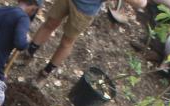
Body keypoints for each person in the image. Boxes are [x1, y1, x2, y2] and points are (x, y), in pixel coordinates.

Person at [21, 0, 150, 78]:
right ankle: (28, 53)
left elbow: (141, 3)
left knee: (67, 42)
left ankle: (46, 72)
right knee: (50, 23)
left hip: (84, 11)